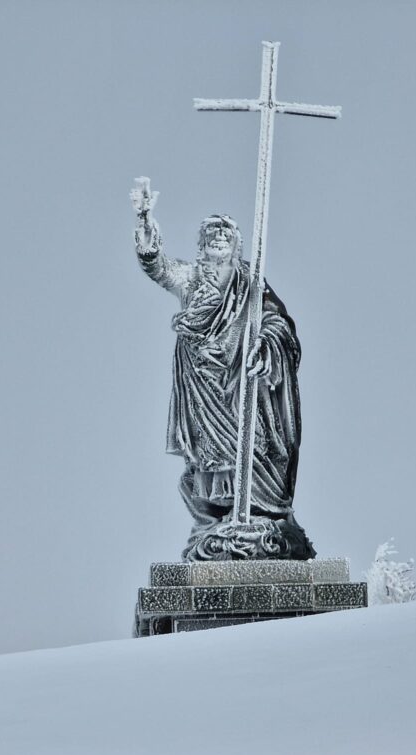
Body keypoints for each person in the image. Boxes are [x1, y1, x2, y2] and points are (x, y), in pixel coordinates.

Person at [131, 177, 313, 559]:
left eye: (225, 232)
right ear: (200, 244)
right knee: (210, 458)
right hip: (202, 387)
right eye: (211, 232)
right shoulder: (192, 279)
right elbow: (161, 269)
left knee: (256, 443)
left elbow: (277, 322)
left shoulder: (250, 282)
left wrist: (265, 348)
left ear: (237, 245)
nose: (217, 236)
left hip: (242, 382)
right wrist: (147, 229)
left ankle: (260, 516)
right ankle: (219, 519)